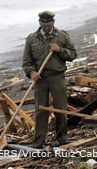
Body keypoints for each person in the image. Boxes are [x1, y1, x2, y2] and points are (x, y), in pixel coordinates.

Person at [22, 11, 77, 148]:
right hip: (40, 79)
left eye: (48, 25)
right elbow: (26, 62)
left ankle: (62, 137)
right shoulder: (31, 39)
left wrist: (59, 50)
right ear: (40, 23)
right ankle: (39, 141)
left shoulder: (62, 36)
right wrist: (32, 73)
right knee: (40, 110)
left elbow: (72, 55)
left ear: (53, 22)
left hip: (56, 77)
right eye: (43, 25)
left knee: (60, 107)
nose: (46, 28)